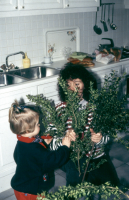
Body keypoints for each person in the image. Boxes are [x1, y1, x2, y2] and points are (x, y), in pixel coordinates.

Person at [49, 62, 120, 200]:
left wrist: (100, 139)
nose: (72, 89)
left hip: (96, 156)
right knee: (74, 187)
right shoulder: (59, 109)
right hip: (71, 159)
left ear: (85, 84)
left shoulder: (96, 108)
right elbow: (51, 144)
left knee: (110, 187)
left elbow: (107, 137)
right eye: (68, 84)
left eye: (77, 84)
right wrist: (64, 141)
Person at [9, 100, 74, 200]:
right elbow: (53, 160)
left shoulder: (22, 141)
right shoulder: (33, 148)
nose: (39, 125)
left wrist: (43, 143)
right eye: (37, 124)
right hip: (30, 191)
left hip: (22, 186)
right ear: (27, 130)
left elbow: (19, 157)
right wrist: (65, 147)